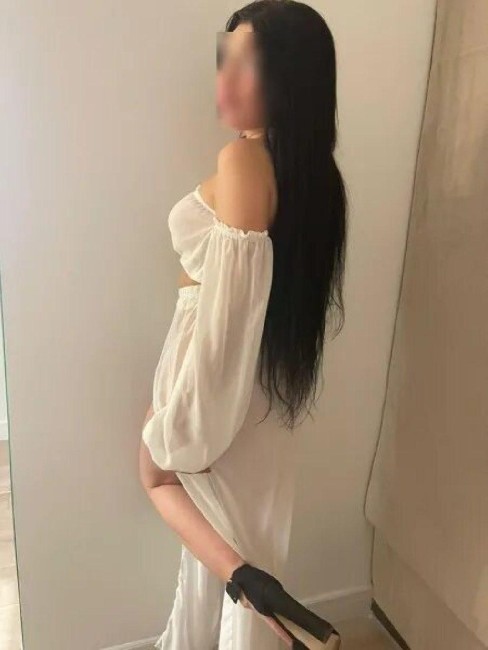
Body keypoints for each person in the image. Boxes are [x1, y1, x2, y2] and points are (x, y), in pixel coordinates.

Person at [138, 1, 347, 648]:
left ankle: (251, 587)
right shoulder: (311, 173)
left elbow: (227, 320)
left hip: (221, 388)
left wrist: (185, 423)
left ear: (291, 77)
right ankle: (253, 589)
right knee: (239, 534)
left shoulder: (243, 161)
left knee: (159, 478)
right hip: (255, 390)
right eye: (223, 57)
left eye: (249, 62)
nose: (225, 79)